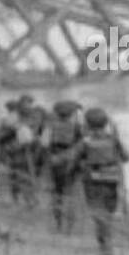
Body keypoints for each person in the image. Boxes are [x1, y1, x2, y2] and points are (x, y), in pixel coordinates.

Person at [73, 107, 129, 255]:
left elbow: (74, 159)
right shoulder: (113, 139)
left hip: (92, 182)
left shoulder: (85, 141)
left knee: (98, 213)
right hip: (111, 180)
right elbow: (126, 157)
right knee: (108, 213)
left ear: (88, 124)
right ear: (106, 123)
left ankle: (105, 243)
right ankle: (107, 240)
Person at [44, 99, 85, 232]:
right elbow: (82, 147)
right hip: (72, 164)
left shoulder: (50, 127)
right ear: (71, 114)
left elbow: (44, 145)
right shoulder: (77, 127)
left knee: (57, 193)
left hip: (55, 163)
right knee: (71, 194)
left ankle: (58, 223)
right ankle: (70, 226)